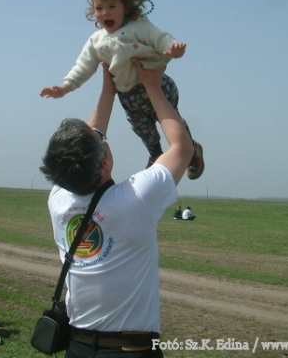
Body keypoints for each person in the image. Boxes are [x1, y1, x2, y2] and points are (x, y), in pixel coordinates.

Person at [40, 60, 194, 357]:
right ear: (104, 164)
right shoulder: (136, 198)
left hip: (78, 347)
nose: (100, 135)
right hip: (130, 350)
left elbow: (87, 142)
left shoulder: (58, 200)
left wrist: (108, 90)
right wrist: (152, 86)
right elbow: (182, 148)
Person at [40, 0, 204, 179]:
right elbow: (83, 66)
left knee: (170, 119)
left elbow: (160, 38)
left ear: (126, 7)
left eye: (111, 6)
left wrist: (173, 48)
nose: (104, 12)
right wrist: (65, 87)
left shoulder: (139, 25)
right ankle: (155, 154)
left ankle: (190, 149)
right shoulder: (96, 41)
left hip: (157, 83)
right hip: (129, 96)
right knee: (142, 129)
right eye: (99, 8)